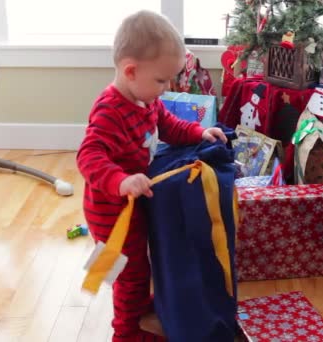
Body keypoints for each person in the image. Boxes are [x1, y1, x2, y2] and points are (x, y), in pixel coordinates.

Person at [76, 10, 227, 342]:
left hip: (131, 205)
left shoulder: (146, 100)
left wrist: (199, 132)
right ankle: (126, 332)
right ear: (131, 71)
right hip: (111, 214)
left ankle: (140, 308)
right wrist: (120, 180)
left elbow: (170, 126)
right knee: (127, 274)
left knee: (135, 268)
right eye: (161, 80)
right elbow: (88, 156)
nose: (167, 88)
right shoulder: (110, 110)